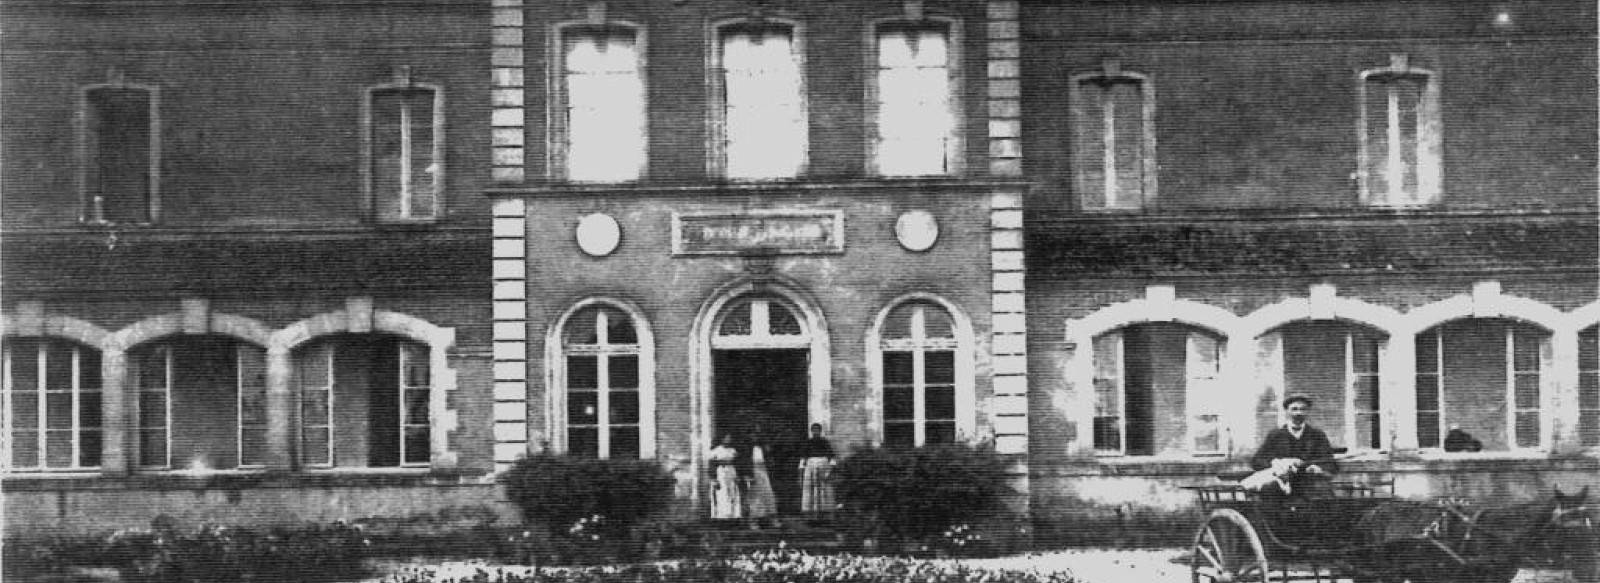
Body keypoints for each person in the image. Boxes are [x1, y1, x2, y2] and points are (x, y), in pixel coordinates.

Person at [1247, 394, 1338, 498]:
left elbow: (1331, 464)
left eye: (1303, 409)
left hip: (1310, 485)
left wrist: (1318, 469)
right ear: (1287, 411)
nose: (1298, 413)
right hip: (1281, 486)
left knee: (1322, 495)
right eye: (1294, 409)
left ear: (1308, 412)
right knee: (1270, 491)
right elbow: (1257, 461)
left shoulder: (1317, 435)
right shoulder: (1276, 435)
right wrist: (1277, 463)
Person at [799, 423, 836, 515]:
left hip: (823, 469)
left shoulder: (825, 442)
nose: (816, 432)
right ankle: (812, 515)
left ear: (820, 431)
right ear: (811, 431)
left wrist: (829, 472)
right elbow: (803, 460)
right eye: (814, 430)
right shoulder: (808, 443)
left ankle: (824, 515)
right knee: (811, 493)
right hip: (810, 469)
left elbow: (832, 459)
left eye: (817, 430)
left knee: (825, 492)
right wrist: (800, 476)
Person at [745, 435, 778, 528]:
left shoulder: (764, 448)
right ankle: (753, 521)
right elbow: (744, 462)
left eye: (757, 435)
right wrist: (747, 475)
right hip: (753, 473)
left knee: (768, 496)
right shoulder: (747, 449)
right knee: (755, 498)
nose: (755, 438)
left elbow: (770, 461)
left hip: (764, 472)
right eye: (753, 435)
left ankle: (772, 519)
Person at [709, 434, 743, 520]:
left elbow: (738, 463)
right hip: (721, 473)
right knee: (723, 494)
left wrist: (738, 475)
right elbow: (712, 465)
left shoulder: (733, 450)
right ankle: (722, 517)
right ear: (722, 439)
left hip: (731, 472)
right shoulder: (716, 450)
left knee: (732, 493)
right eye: (726, 438)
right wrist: (714, 479)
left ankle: (733, 516)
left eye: (730, 438)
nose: (729, 439)